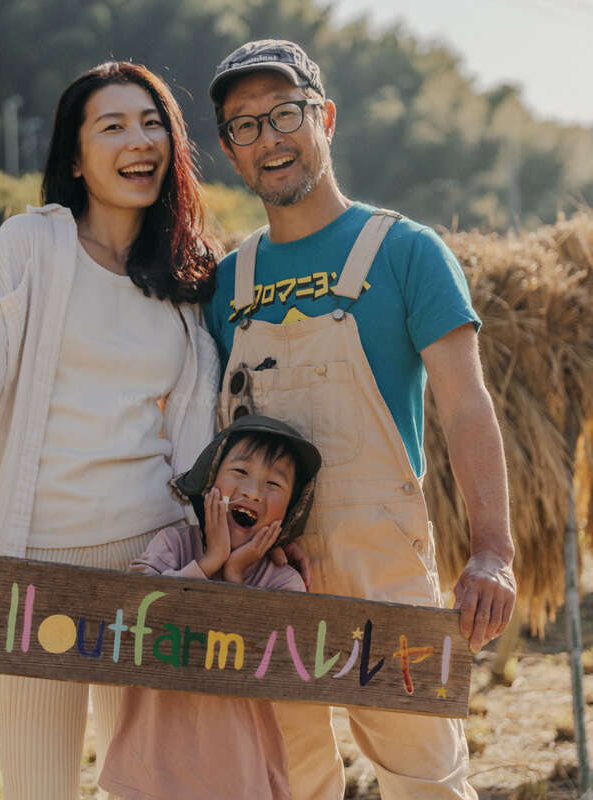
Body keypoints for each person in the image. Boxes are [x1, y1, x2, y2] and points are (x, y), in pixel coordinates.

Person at [0, 61, 222, 800]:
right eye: (114, 125)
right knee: (38, 786)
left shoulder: (185, 275)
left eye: (154, 121)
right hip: (29, 568)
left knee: (159, 784)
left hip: (151, 562)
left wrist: (213, 552)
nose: (140, 139)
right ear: (74, 155)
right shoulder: (31, 246)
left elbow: (196, 435)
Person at [203, 39, 517, 799]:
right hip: (264, 576)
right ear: (228, 151)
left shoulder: (407, 252)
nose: (268, 138)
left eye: (285, 113)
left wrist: (493, 552)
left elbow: (466, 404)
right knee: (286, 783)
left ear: (326, 118)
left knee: (426, 780)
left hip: (382, 563)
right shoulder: (225, 283)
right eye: (245, 125)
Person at [98, 414, 322, 800]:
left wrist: (234, 576)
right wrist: (207, 564)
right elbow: (136, 614)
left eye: (273, 483)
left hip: (239, 776)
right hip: (153, 768)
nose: (253, 492)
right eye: (240, 472)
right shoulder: (172, 547)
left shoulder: (282, 582)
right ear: (209, 485)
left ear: (289, 509)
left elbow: (270, 668)